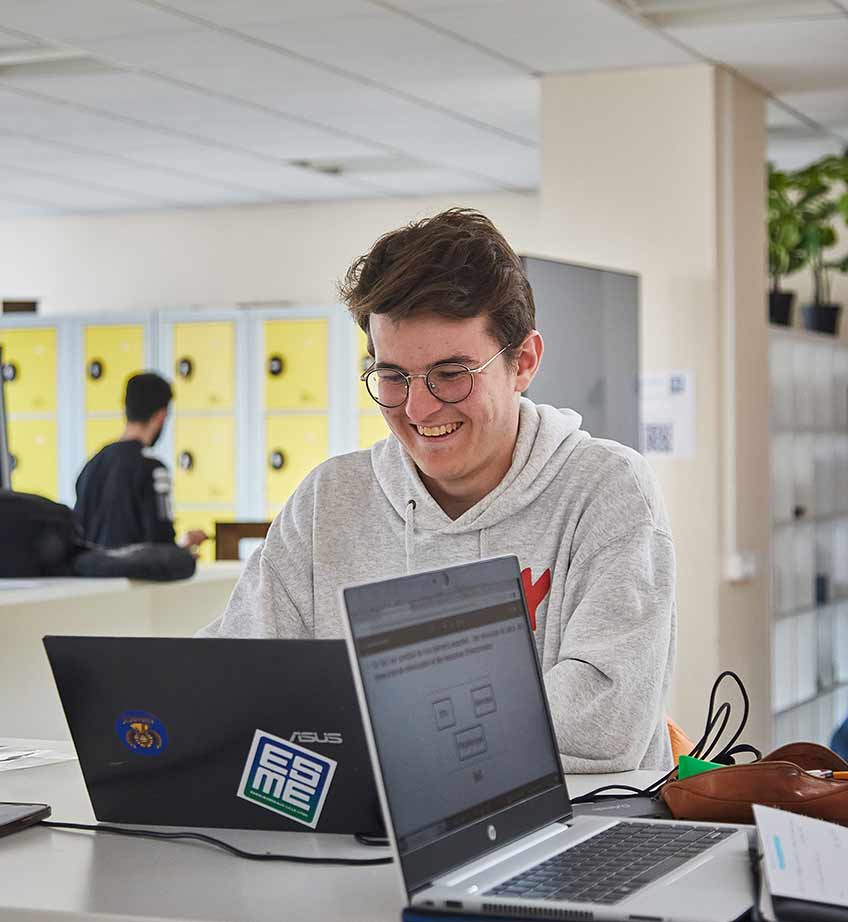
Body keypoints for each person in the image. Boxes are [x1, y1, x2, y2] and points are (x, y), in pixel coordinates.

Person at [198, 209, 676, 772]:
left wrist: (362, 729)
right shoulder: (330, 498)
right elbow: (241, 671)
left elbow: (605, 719)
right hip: (368, 837)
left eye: (451, 373)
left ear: (523, 362)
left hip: (580, 831)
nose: (419, 409)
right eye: (394, 376)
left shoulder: (606, 489)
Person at [74, 372, 206, 552]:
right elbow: (160, 546)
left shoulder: (92, 465)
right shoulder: (153, 470)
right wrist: (185, 548)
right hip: (133, 577)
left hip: (93, 577)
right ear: (161, 415)